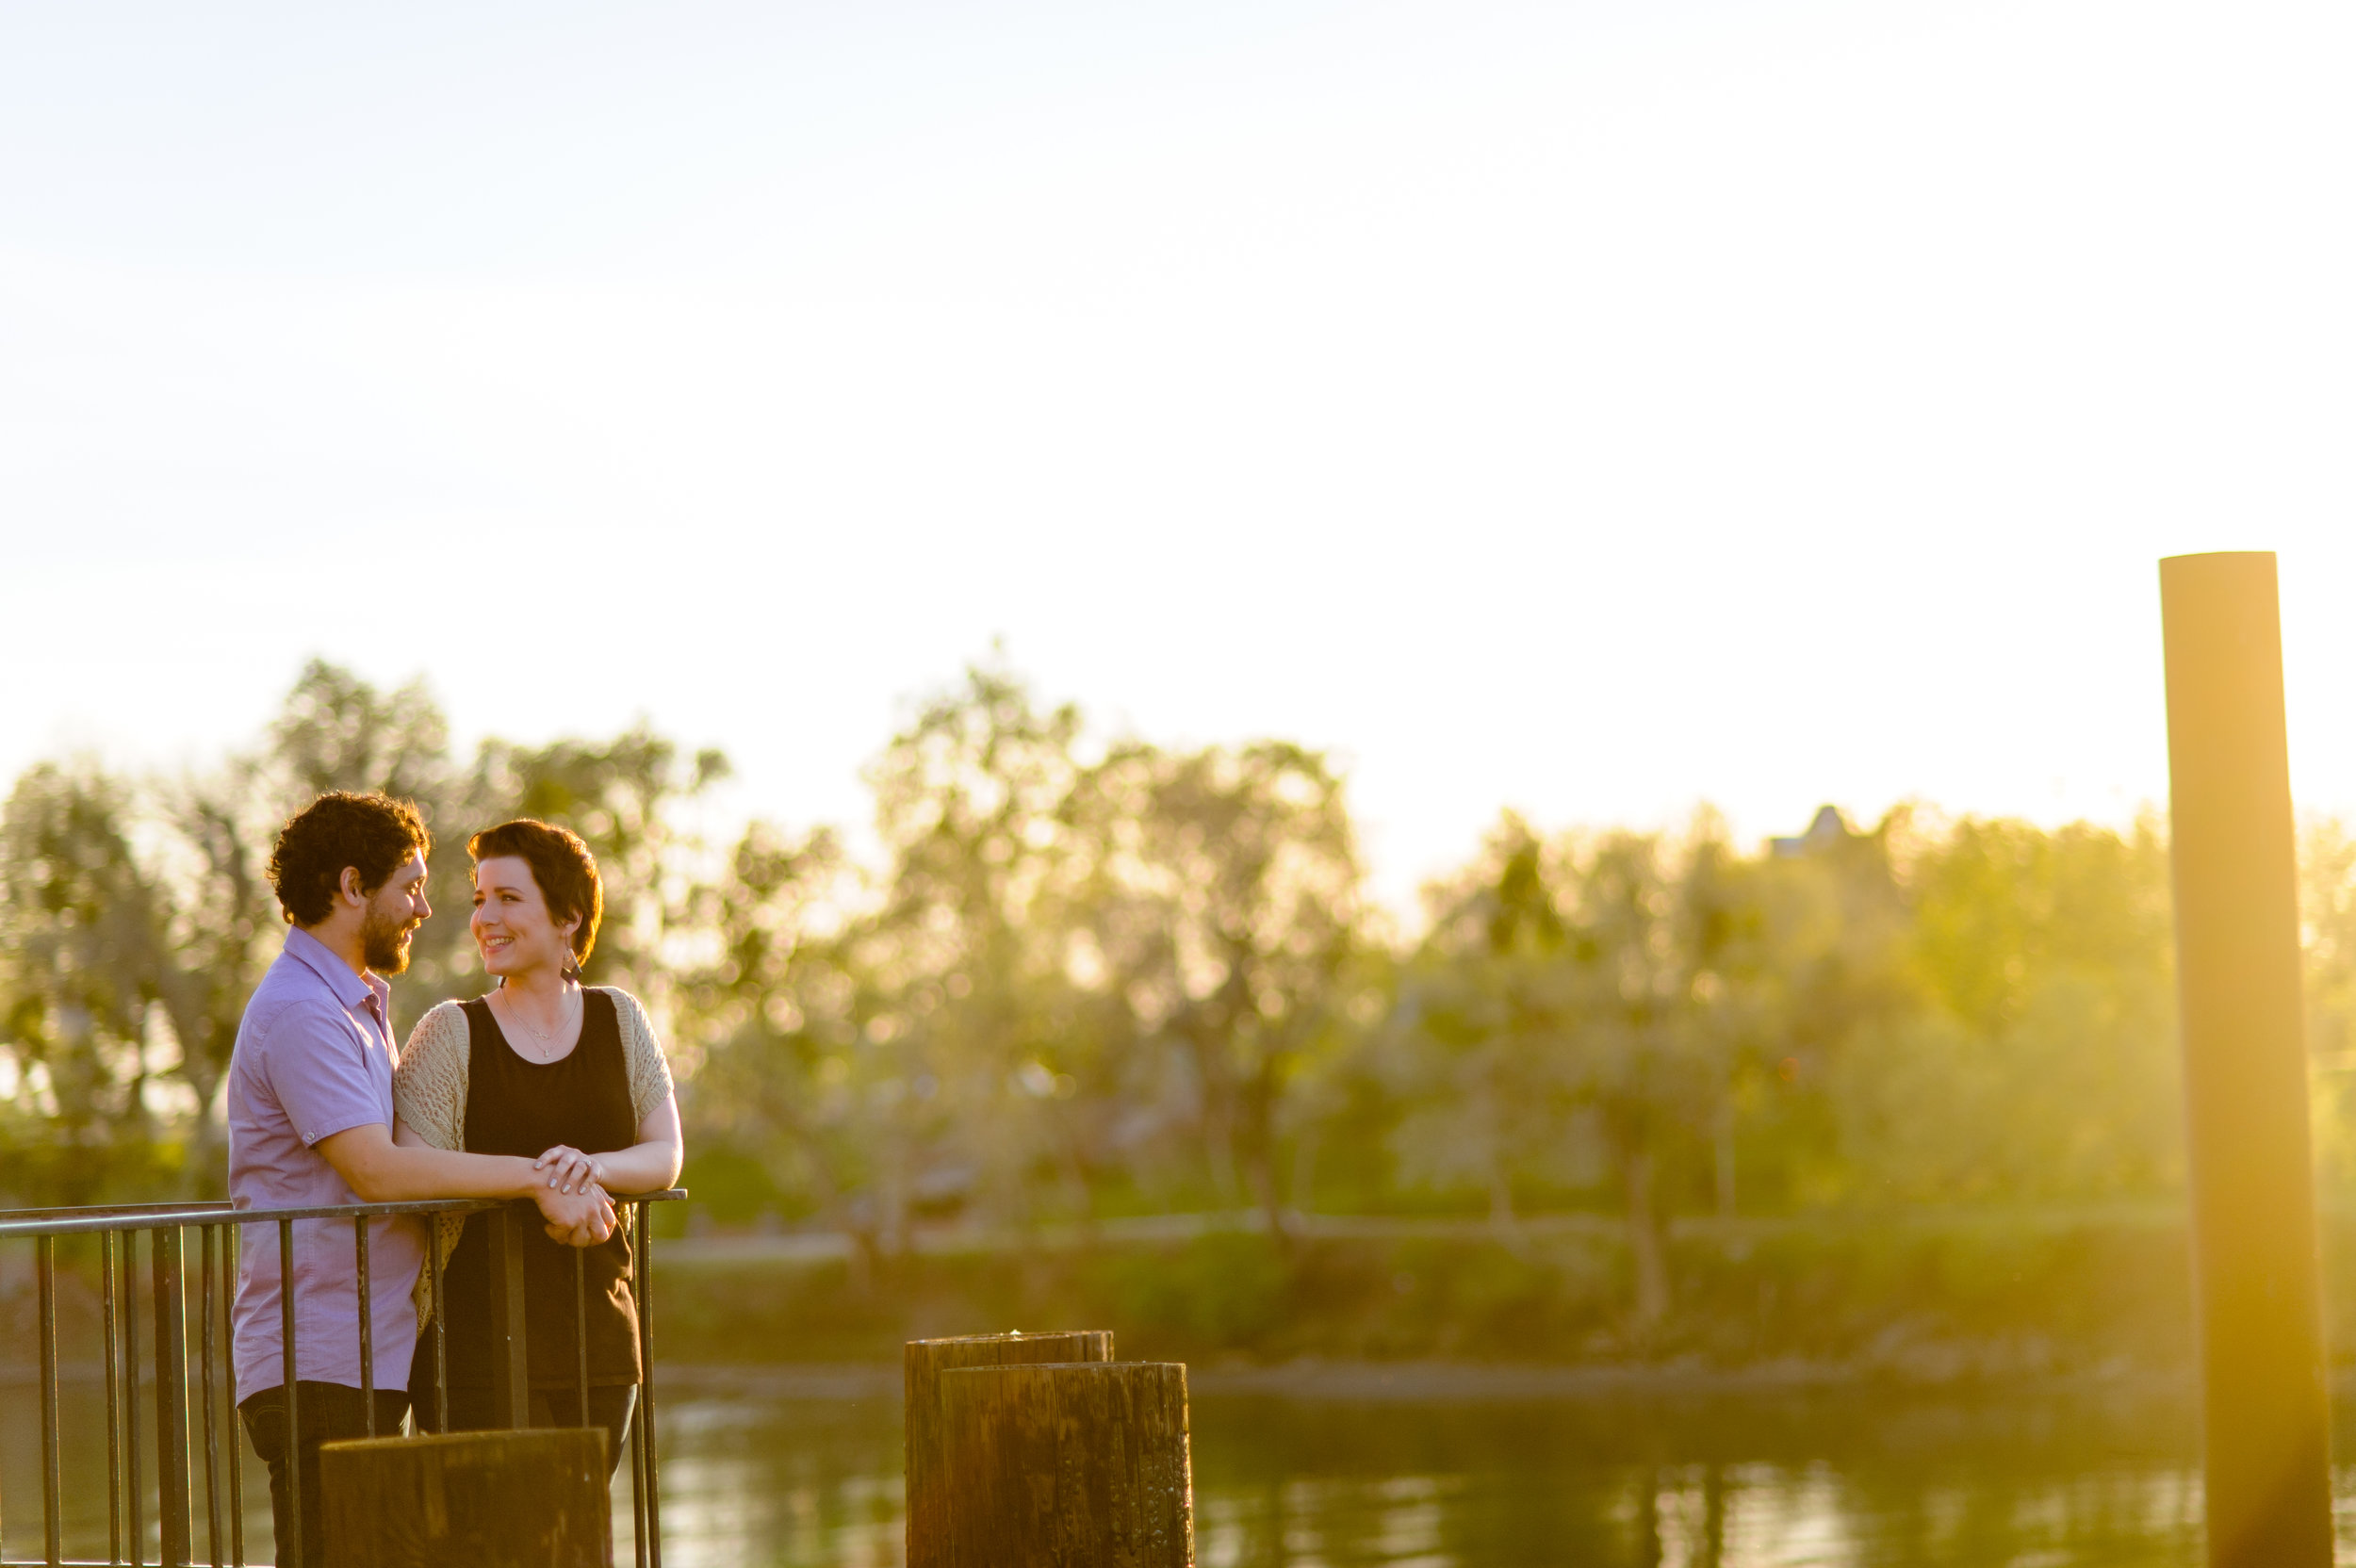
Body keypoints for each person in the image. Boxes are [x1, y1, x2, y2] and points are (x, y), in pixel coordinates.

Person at [229, 792, 618, 1568]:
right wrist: (537, 1177)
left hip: (365, 1351)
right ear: (349, 886)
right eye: (408, 885)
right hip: (317, 1355)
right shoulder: (305, 1014)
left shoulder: (354, 1006)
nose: (423, 907)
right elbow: (376, 1170)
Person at [393, 817, 683, 1472]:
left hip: (601, 1344)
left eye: (508, 898)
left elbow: (665, 1154)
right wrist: (536, 1179)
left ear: (568, 918)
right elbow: (411, 1170)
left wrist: (590, 1167)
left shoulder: (622, 1018)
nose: (485, 918)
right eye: (479, 900)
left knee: (575, 1542)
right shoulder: (449, 1033)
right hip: (473, 1353)